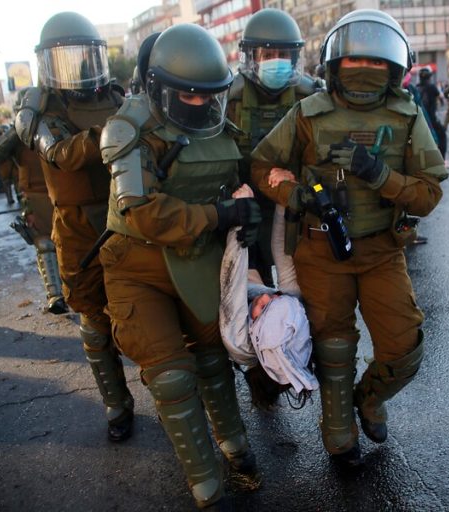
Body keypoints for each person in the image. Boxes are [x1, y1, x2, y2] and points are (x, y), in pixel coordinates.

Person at [251, 9, 448, 467]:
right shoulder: (307, 114)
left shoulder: (406, 115)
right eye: (357, 60)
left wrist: (379, 174)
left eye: (378, 62)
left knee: (404, 347)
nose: (367, 69)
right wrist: (298, 194)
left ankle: (369, 400)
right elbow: (262, 166)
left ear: (396, 68)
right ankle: (338, 430)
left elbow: (429, 194)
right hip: (321, 250)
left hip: (382, 250)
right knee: (334, 344)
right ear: (334, 65)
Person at [99, 23, 261, 509]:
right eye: (186, 94)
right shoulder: (127, 129)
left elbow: (234, 180)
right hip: (136, 263)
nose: (199, 104)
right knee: (171, 373)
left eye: (208, 95)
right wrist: (219, 215)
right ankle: (205, 482)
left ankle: (234, 446)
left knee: (214, 360)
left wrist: (244, 215)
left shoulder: (219, 123)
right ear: (157, 88)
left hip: (197, 258)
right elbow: (143, 210)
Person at [15, 11, 134, 442]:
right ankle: (117, 405)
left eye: (83, 57)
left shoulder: (118, 96)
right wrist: (116, 131)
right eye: (65, 59)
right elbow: (62, 153)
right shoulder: (40, 107)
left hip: (126, 218)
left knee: (144, 308)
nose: (77, 69)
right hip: (77, 228)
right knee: (92, 319)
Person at [227, 9, 323, 288]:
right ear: (251, 58)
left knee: (304, 286)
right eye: (267, 56)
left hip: (295, 203)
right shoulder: (229, 100)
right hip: (246, 207)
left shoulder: (311, 96)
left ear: (294, 58)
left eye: (283, 55)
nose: (276, 62)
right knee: (254, 290)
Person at [0, 98, 68, 315]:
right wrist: (19, 128)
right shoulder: (19, 135)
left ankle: (74, 290)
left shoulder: (59, 121)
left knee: (74, 243)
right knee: (44, 244)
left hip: (66, 191)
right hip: (36, 195)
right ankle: (55, 294)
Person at [416, 67, 447, 158]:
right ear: (429, 77)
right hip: (431, 119)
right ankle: (442, 158)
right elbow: (441, 98)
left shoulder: (416, 87)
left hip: (418, 119)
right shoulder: (432, 87)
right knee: (442, 135)